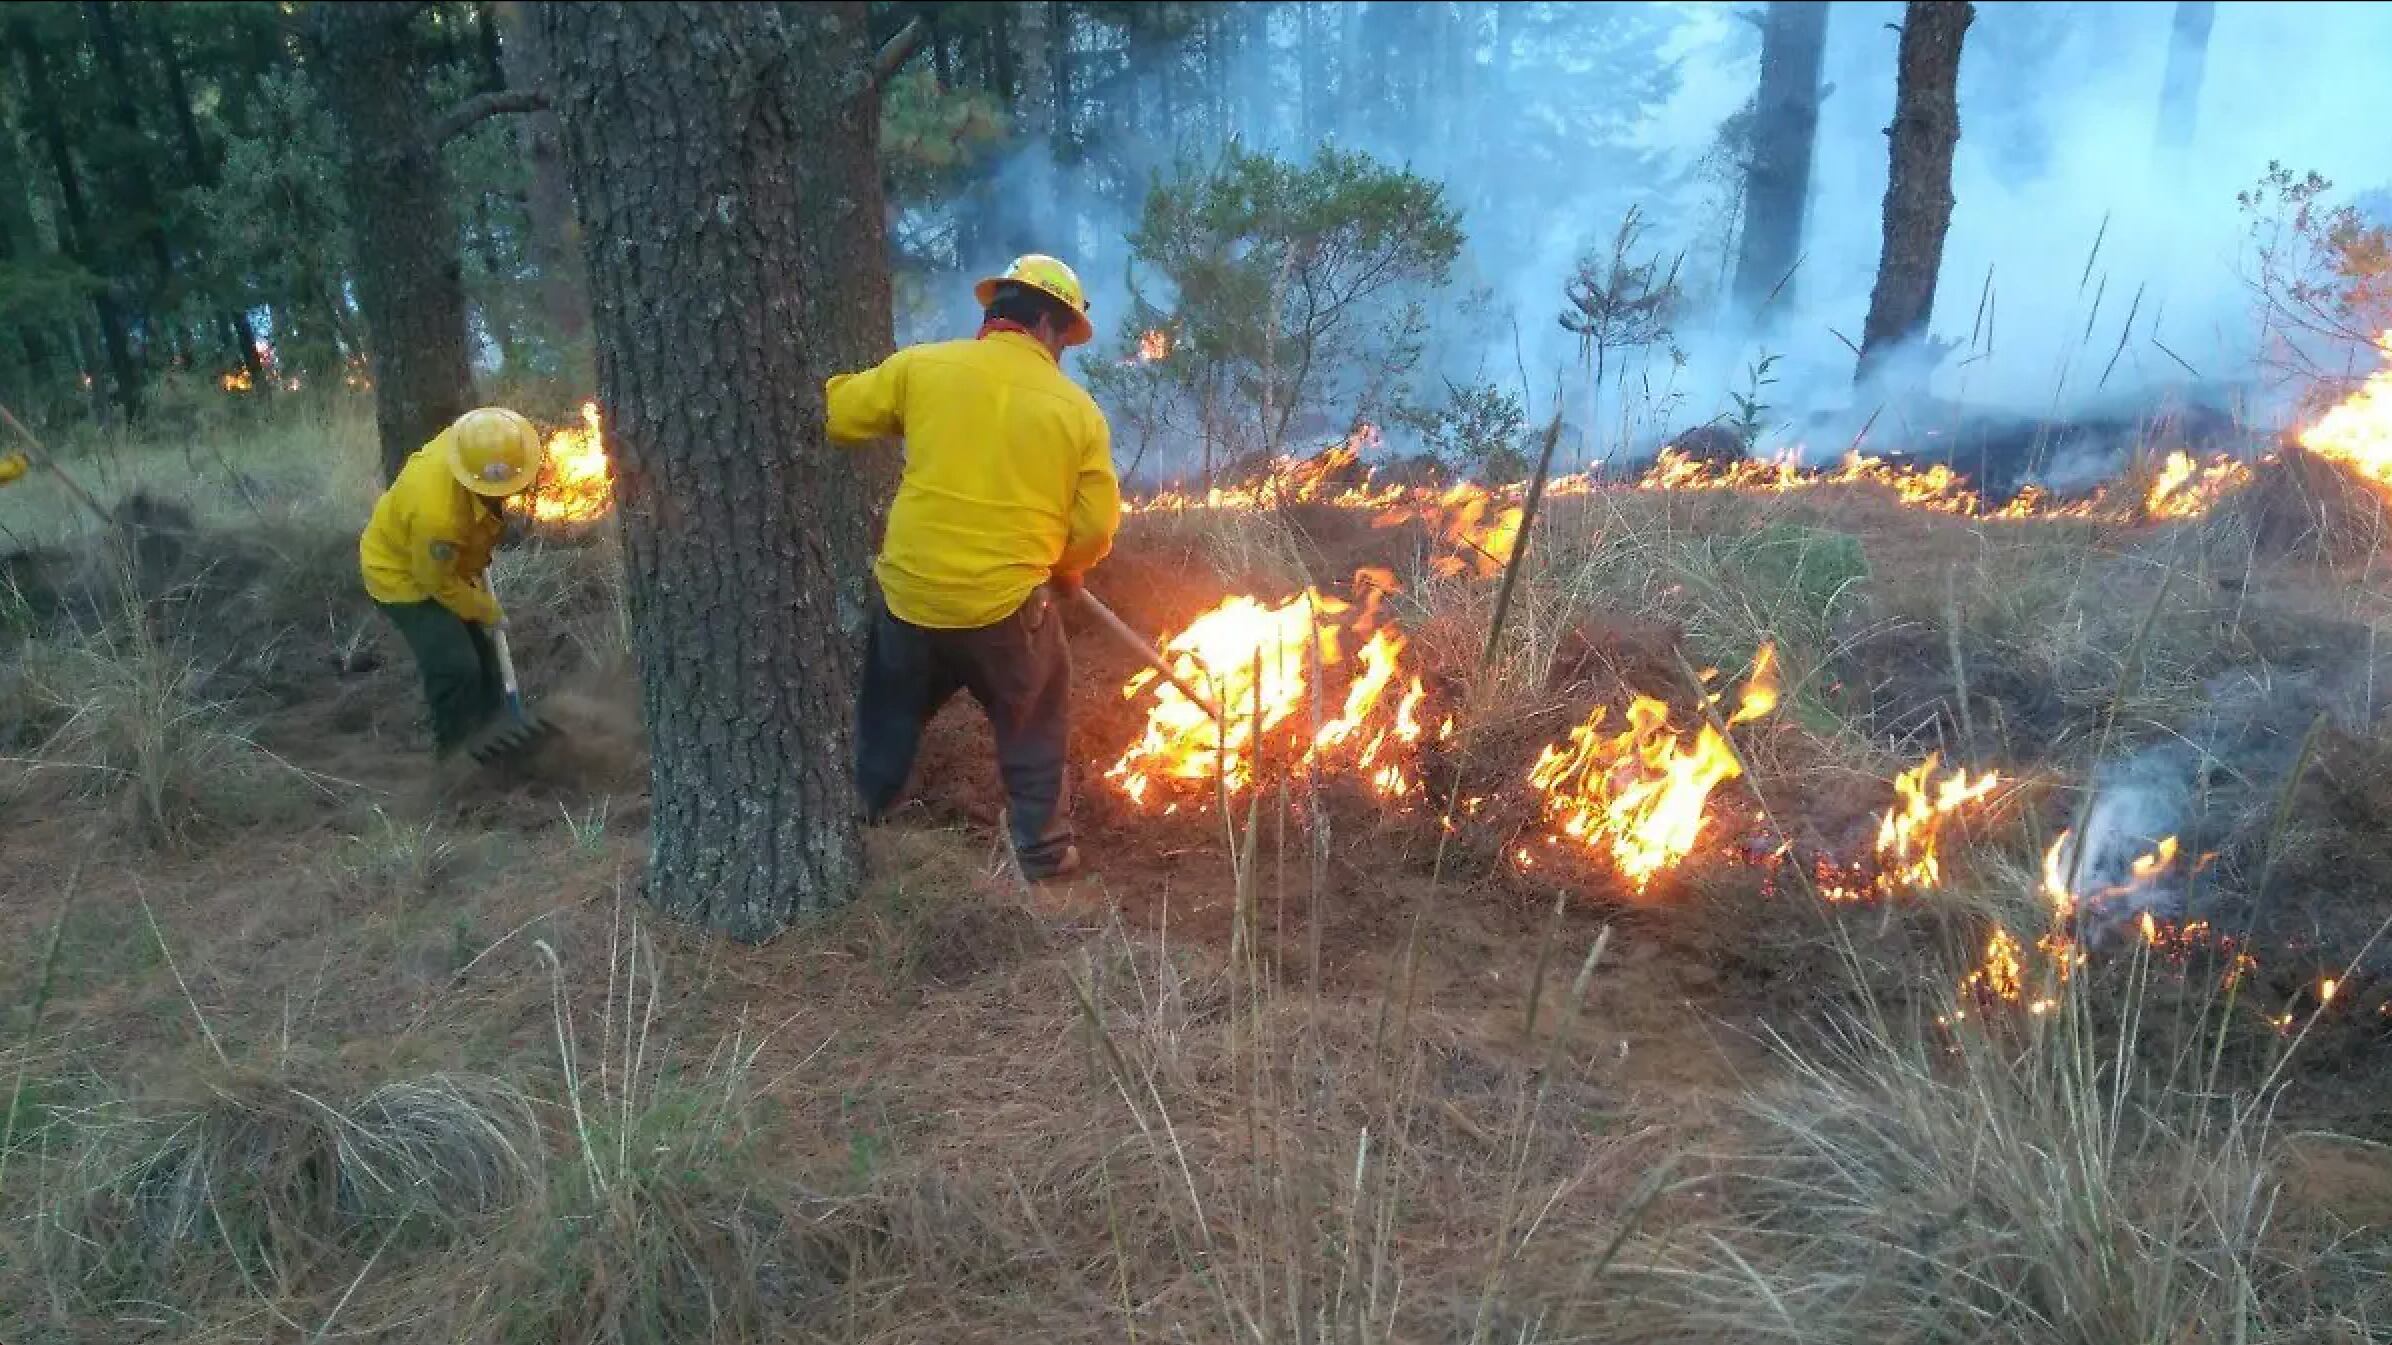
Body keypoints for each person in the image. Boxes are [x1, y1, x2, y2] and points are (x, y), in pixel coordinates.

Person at [825, 253, 1121, 882]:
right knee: (1034, 711)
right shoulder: (1077, 413)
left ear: (993, 315)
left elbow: (839, 415)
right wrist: (1064, 565)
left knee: (890, 708)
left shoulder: (922, 369)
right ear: (1045, 323)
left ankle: (860, 812)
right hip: (1005, 609)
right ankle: (1041, 852)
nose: (1062, 349)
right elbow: (1094, 531)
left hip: (911, 596)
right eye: (1064, 336)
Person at [359, 406, 545, 759]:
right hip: (403, 578)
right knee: (455, 667)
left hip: (442, 568)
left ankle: (496, 737)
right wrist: (487, 610)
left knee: (486, 662)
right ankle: (455, 760)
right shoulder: (439, 519)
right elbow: (437, 583)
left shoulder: (468, 445)